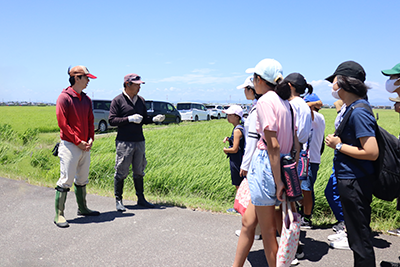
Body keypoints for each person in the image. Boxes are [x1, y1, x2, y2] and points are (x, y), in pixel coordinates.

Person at [233, 58, 300, 267]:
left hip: (267, 167)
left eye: (254, 78)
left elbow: (273, 145)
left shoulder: (264, 101)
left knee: (269, 232)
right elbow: (294, 142)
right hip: (281, 165)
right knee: (248, 222)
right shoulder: (286, 103)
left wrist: (279, 180)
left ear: (259, 80)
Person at [325, 61, 379, 267]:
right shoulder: (354, 107)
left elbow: (371, 152)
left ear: (343, 82)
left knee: (359, 237)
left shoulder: (359, 111)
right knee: (356, 234)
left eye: (334, 81)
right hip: (351, 178)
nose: (332, 86)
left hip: (354, 180)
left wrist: (338, 146)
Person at [109, 73, 165, 211]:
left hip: (139, 140)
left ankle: (141, 198)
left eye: (140, 84)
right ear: (128, 84)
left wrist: (153, 119)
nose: (139, 87)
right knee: (121, 170)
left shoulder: (141, 100)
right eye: (137, 84)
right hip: (124, 142)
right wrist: (128, 119)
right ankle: (119, 200)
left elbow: (143, 118)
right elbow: (112, 120)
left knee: (139, 171)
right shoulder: (118, 100)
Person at [54, 65, 100, 228]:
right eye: (86, 78)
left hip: (84, 146)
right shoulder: (64, 98)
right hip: (69, 145)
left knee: (82, 179)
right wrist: (77, 141)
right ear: (77, 78)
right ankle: (59, 214)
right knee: (66, 179)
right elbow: (63, 123)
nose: (88, 81)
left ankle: (83, 208)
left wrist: (90, 139)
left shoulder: (86, 99)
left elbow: (90, 121)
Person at [235, 76, 262, 240]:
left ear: (251, 90)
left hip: (255, 160)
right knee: (257, 199)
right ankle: (255, 230)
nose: (245, 92)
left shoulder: (257, 109)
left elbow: (252, 139)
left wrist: (245, 164)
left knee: (255, 198)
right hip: (259, 159)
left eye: (245, 89)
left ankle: (252, 229)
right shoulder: (257, 107)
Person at [301, 93, 325, 229]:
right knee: (305, 189)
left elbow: (315, 105)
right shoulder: (311, 118)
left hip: (309, 159)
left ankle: (307, 218)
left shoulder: (317, 117)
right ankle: (304, 214)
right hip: (308, 159)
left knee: (306, 189)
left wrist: (307, 104)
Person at [222, 105, 245, 192]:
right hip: (239, 160)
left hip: (236, 161)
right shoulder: (240, 127)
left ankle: (240, 205)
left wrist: (226, 150)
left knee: (238, 186)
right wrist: (229, 139)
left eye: (230, 115)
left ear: (237, 116)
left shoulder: (237, 130)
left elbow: (235, 149)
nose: (227, 117)